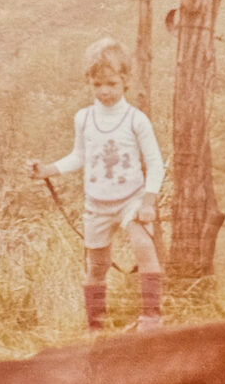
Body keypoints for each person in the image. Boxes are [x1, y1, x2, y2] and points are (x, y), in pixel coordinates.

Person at [27, 37, 165, 332]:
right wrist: (48, 170)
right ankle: (96, 326)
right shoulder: (84, 118)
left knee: (144, 247)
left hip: (132, 200)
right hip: (97, 204)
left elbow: (155, 162)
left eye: (111, 84)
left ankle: (152, 317)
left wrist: (148, 201)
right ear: (88, 82)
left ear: (125, 81)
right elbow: (80, 155)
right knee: (97, 266)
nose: (104, 91)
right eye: (97, 84)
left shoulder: (136, 120)